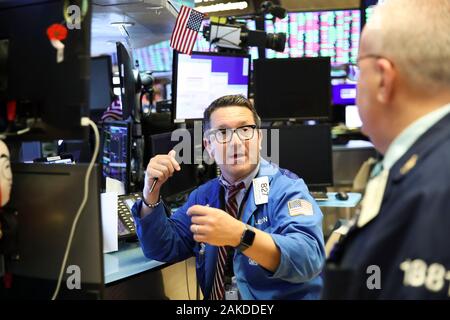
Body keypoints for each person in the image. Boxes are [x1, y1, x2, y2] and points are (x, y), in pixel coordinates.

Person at [131, 95, 325, 300]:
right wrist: (150, 191)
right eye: (222, 132)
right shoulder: (204, 196)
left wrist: (240, 235)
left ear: (259, 138)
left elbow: (308, 258)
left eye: (245, 130)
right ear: (208, 146)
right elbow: (162, 247)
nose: (236, 142)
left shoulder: (286, 190)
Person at [323, 0, 450, 299]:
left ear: (384, 78)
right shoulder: (418, 166)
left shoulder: (433, 189)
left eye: (357, 70)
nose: (356, 83)